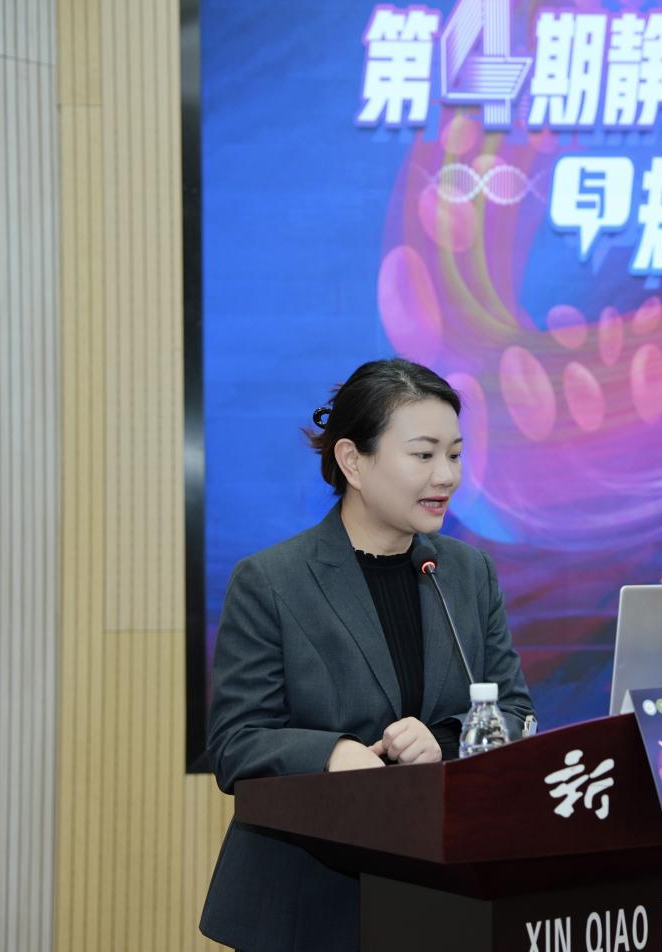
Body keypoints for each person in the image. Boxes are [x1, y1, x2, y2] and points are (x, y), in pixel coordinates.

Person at [199, 357, 534, 952]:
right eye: (423, 454)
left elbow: (516, 712)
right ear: (353, 460)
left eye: (455, 454)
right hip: (312, 902)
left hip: (445, 893)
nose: (446, 476)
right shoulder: (273, 581)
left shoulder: (467, 573)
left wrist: (447, 740)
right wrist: (333, 752)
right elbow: (235, 742)